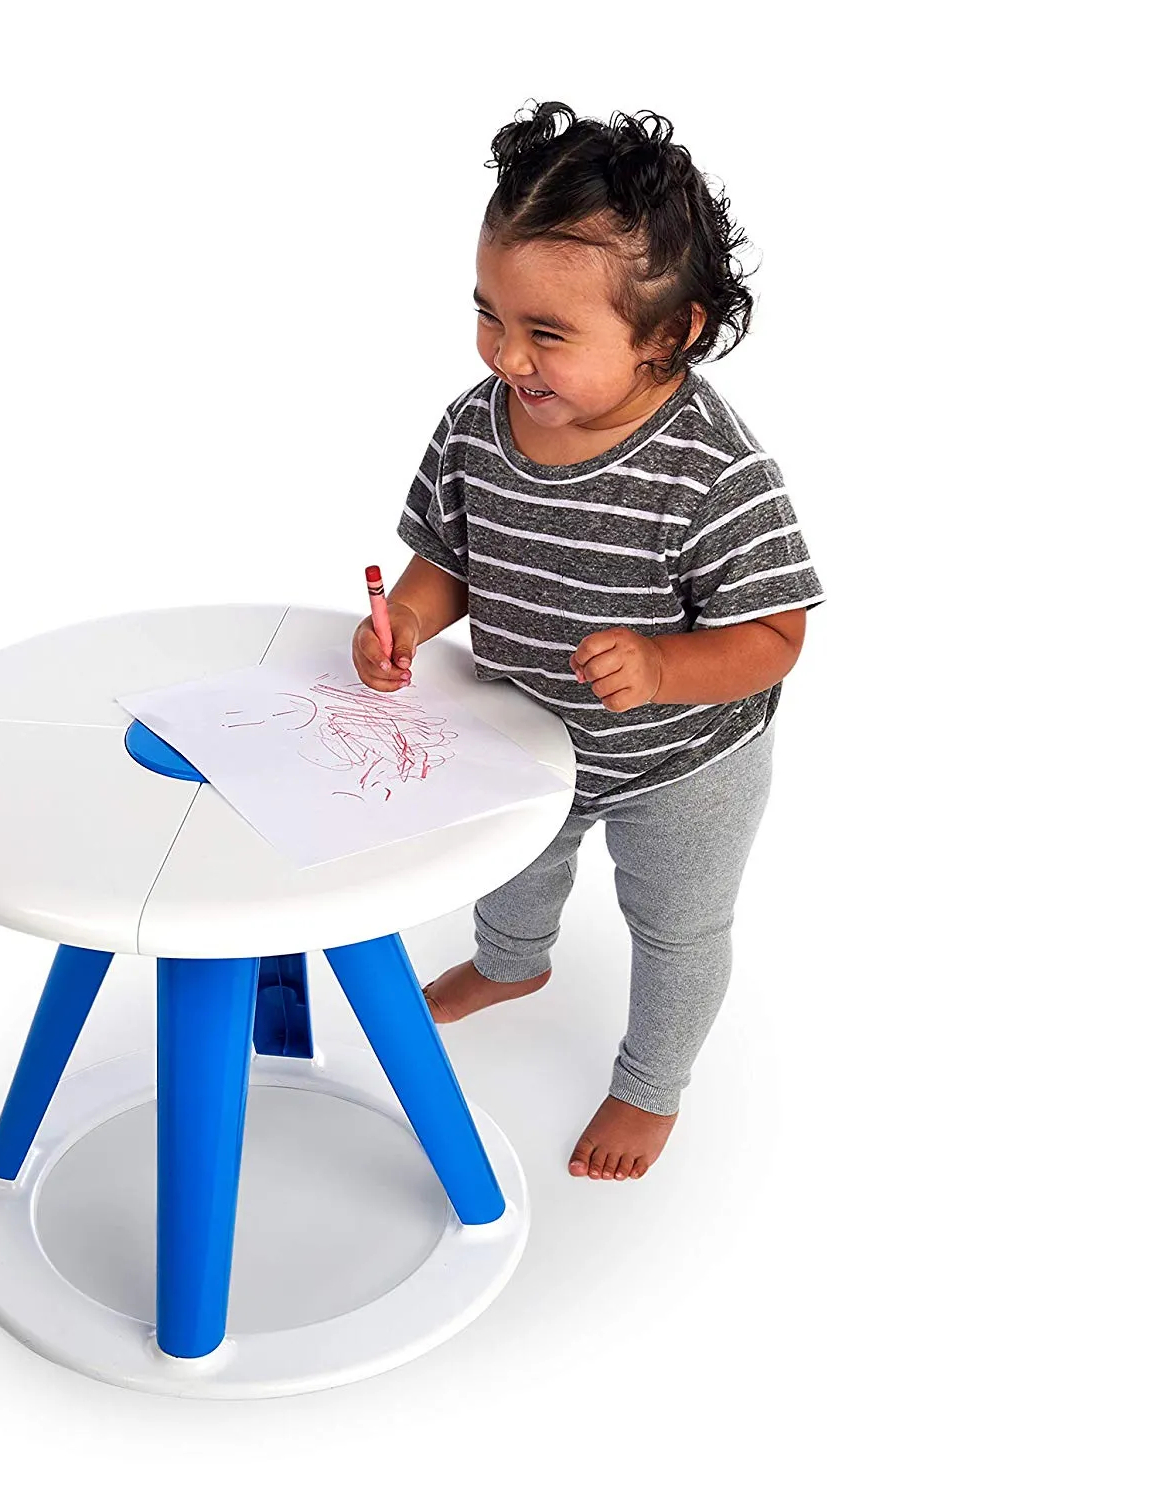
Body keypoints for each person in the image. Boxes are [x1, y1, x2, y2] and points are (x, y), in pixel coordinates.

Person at [352, 101, 825, 1183]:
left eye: (549, 334)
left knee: (678, 929)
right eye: (490, 315)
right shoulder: (476, 424)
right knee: (513, 861)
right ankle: (513, 963)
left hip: (685, 762)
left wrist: (663, 667)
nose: (508, 355)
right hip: (530, 732)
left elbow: (774, 635)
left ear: (670, 334)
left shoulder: (715, 472)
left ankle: (652, 1084)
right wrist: (409, 621)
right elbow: (448, 558)